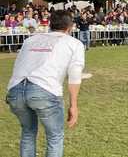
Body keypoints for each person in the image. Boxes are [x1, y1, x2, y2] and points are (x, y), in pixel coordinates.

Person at [5, 10, 85, 157]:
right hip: (44, 90)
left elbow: (18, 65)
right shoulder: (74, 44)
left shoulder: (30, 40)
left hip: (16, 89)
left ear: (49, 24)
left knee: (28, 132)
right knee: (55, 136)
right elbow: (74, 76)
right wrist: (73, 105)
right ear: (70, 26)